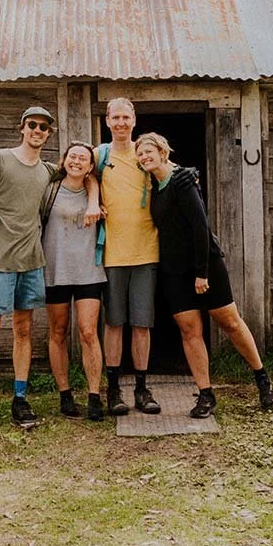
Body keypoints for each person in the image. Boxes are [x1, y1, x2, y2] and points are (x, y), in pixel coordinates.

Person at [135, 132, 273, 418]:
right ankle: (205, 394)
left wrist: (201, 273)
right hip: (174, 270)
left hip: (205, 265)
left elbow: (200, 227)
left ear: (163, 151)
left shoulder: (183, 180)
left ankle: (263, 380)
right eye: (140, 154)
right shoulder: (153, 184)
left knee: (230, 323)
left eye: (148, 151)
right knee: (190, 330)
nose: (144, 157)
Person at [0, 107, 88, 431]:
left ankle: (20, 398)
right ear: (22, 128)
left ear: (49, 134)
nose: (37, 130)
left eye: (44, 127)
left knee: (23, 329)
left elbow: (85, 171)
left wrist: (93, 201)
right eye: (32, 125)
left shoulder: (49, 171)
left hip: (31, 260)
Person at [95, 98, 161, 417]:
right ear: (107, 121)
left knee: (142, 324)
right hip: (112, 253)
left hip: (147, 249)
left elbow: (170, 180)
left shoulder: (145, 153)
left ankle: (141, 388)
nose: (121, 123)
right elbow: (80, 180)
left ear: (134, 119)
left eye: (126, 117)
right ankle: (113, 390)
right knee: (114, 323)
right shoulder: (99, 156)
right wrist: (94, 203)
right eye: (115, 117)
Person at [41, 142, 106, 422]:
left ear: (90, 166)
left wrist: (95, 201)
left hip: (88, 271)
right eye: (72, 156)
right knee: (58, 331)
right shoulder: (49, 190)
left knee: (88, 332)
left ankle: (94, 395)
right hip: (55, 271)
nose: (77, 161)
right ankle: (65, 393)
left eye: (83, 158)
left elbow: (94, 185)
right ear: (64, 160)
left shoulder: (96, 190)